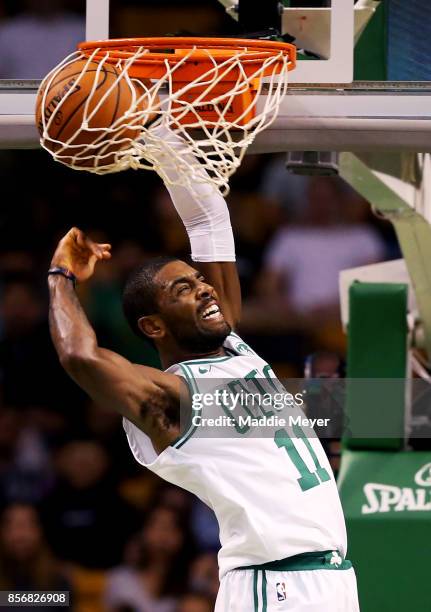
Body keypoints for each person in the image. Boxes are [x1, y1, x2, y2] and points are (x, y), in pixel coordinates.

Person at [48, 124, 360, 611]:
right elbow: (79, 357)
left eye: (197, 280)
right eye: (183, 291)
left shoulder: (232, 347)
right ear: (153, 326)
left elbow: (209, 220)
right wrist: (61, 275)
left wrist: (160, 130)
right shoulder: (169, 400)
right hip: (273, 585)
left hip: (329, 576)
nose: (205, 289)